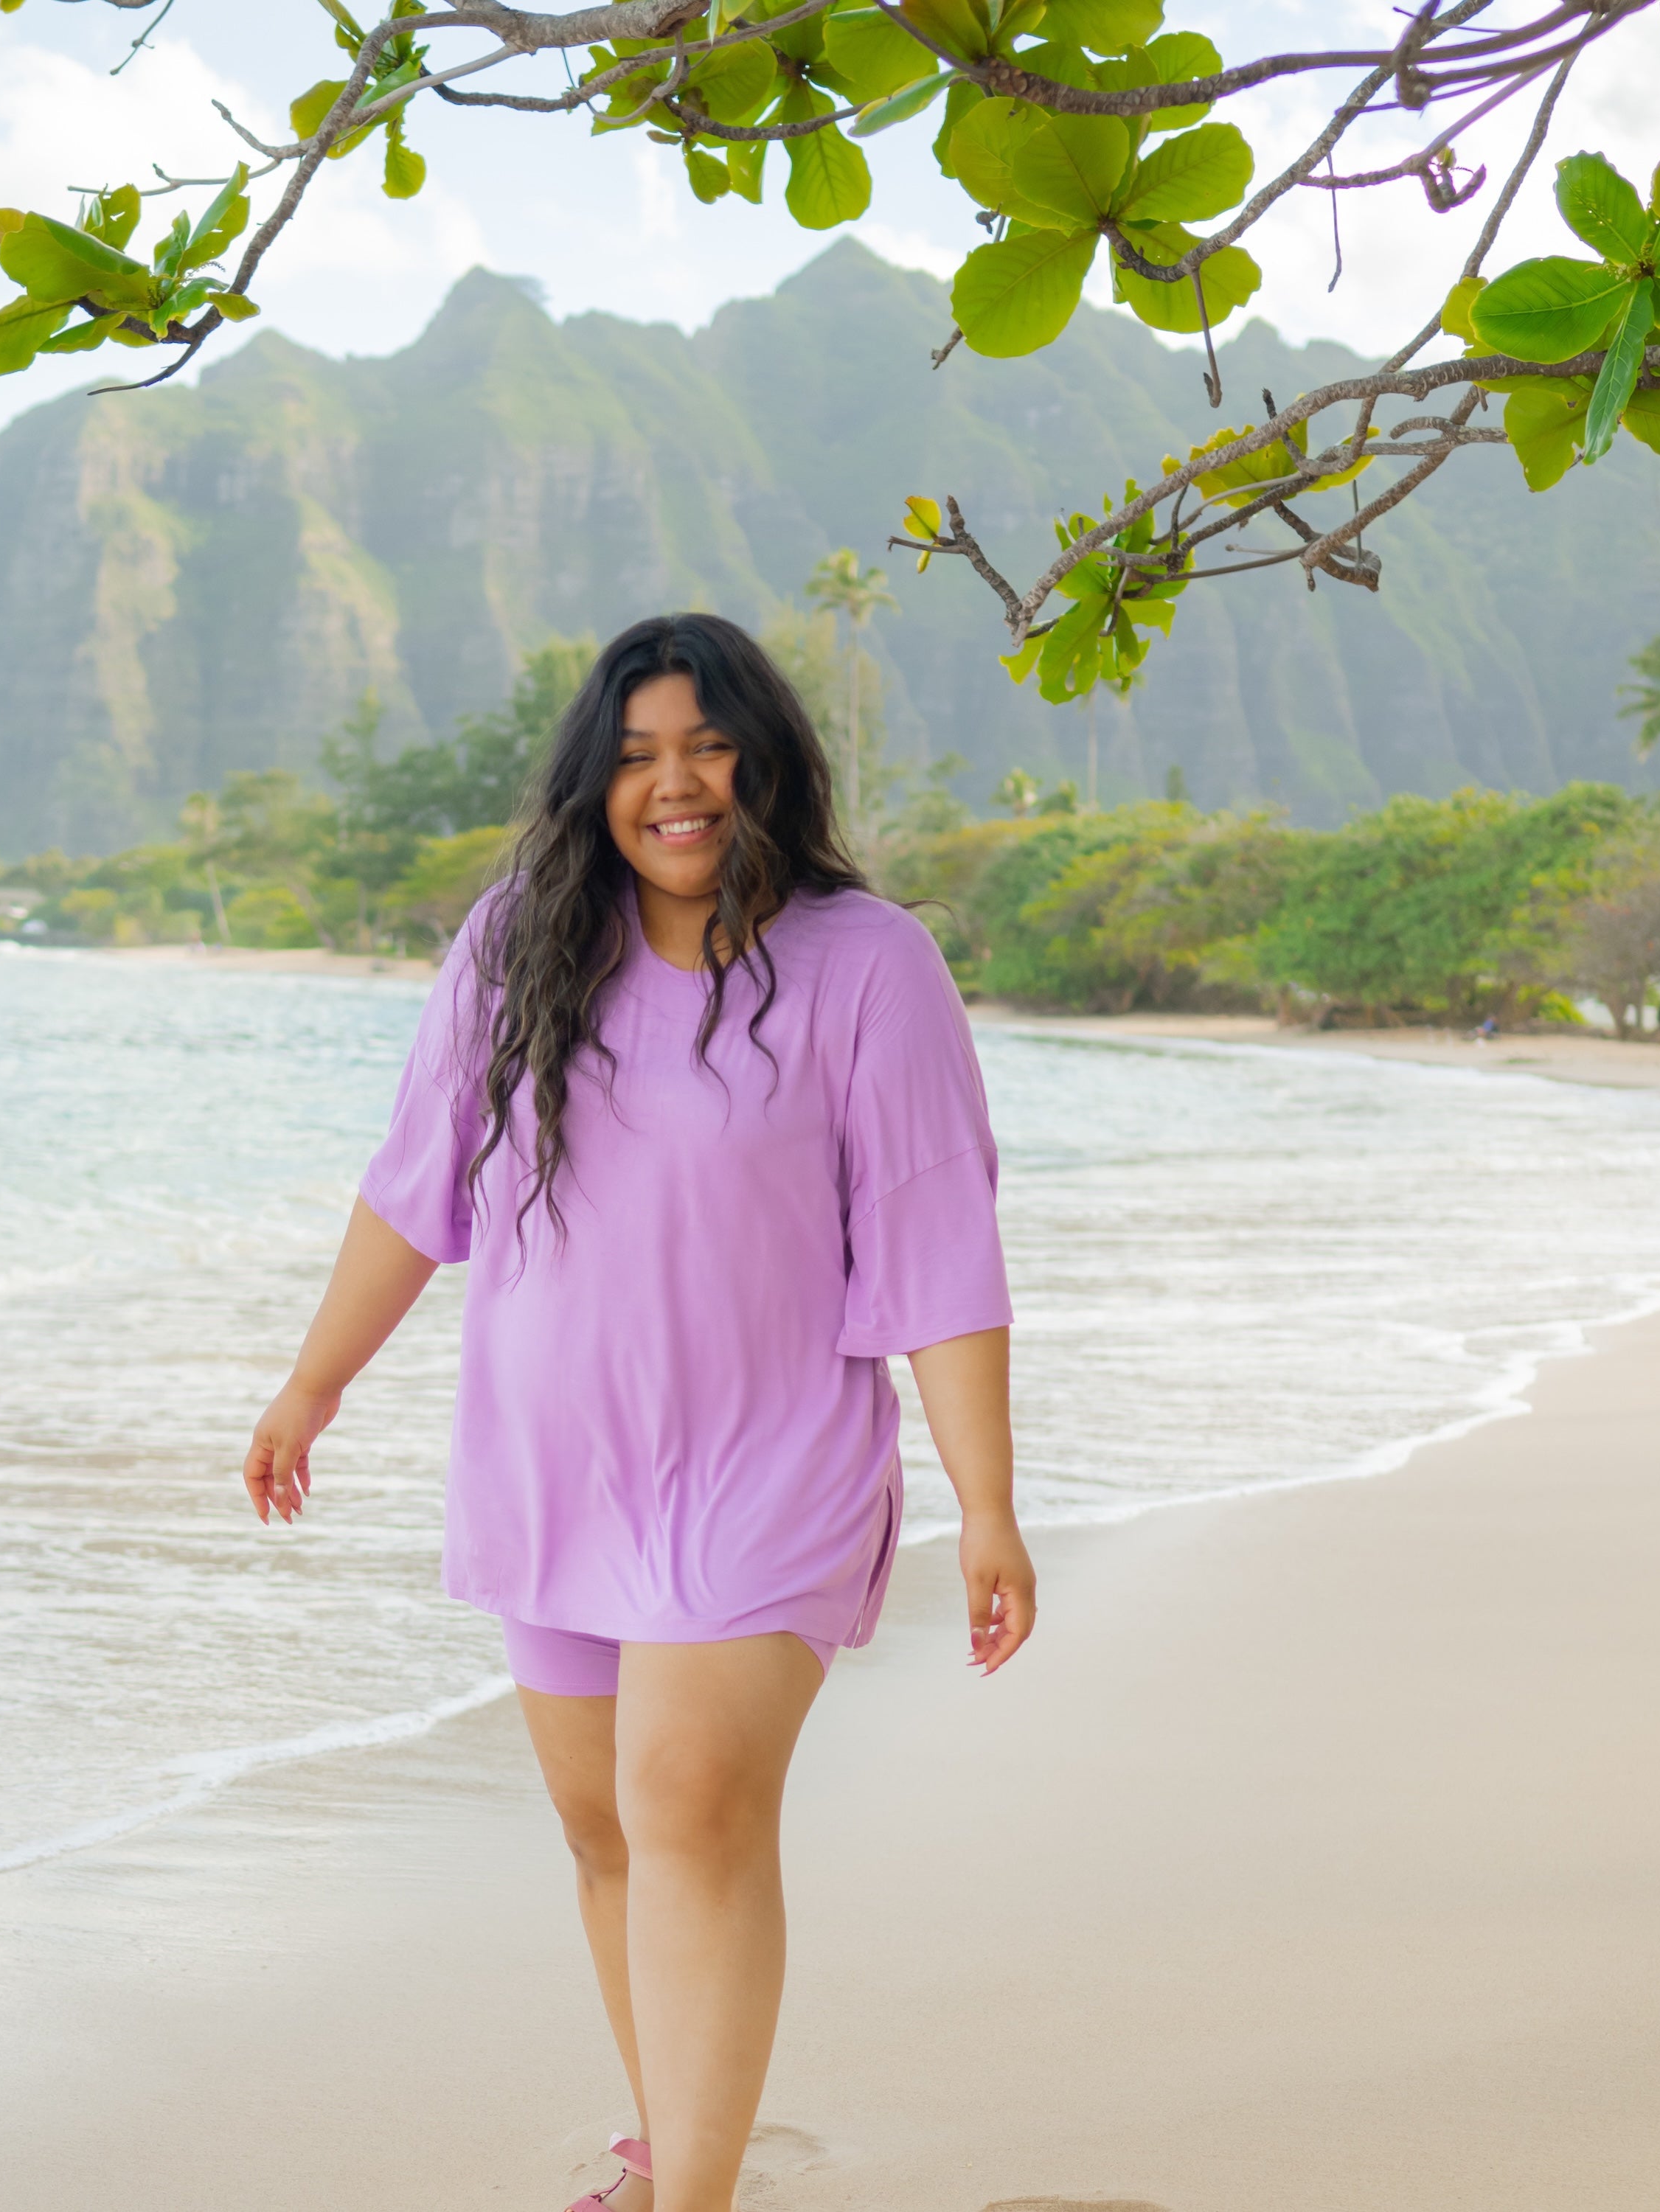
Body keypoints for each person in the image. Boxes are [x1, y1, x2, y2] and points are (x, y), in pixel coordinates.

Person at [243, 613, 1036, 2212]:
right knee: (605, 1827)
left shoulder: (867, 962)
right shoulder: (519, 940)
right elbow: (417, 1187)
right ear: (592, 784)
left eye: (706, 749)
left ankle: (696, 2202)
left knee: (688, 1798)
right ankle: (675, 2138)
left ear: (766, 762)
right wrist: (314, 1381)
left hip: (771, 1459)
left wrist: (987, 1503)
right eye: (634, 758)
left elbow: (937, 1237)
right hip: (557, 1460)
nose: (673, 789)